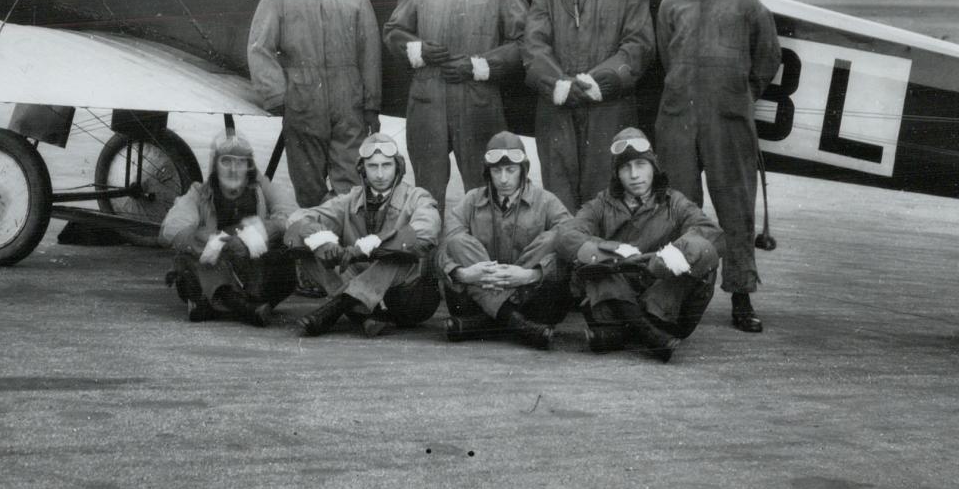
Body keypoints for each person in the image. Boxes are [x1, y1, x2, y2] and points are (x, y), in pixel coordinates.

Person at [654, 0, 781, 333]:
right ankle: (678, 293)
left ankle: (741, 296)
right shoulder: (672, 3)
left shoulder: (747, 3)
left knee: (735, 209)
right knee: (679, 210)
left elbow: (767, 59)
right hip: (678, 120)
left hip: (728, 123)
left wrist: (736, 97)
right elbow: (666, 56)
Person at [383, 0, 528, 209]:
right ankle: (428, 252)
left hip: (478, 104)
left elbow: (524, 42)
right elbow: (394, 31)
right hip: (427, 102)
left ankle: (481, 255)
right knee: (427, 192)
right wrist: (418, 49)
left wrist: (479, 66)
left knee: (482, 193)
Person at [523, 0, 655, 212]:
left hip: (608, 106)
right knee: (560, 195)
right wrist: (559, 84)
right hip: (558, 107)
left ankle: (603, 259)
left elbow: (639, 45)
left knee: (606, 194)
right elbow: (533, 45)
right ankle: (569, 256)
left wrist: (599, 81)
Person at [555, 127, 724, 362]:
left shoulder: (674, 203)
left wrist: (675, 254)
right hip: (614, 296)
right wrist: (613, 251)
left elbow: (711, 232)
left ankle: (622, 333)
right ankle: (644, 332)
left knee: (705, 256)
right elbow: (566, 234)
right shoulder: (601, 204)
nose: (634, 175)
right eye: (626, 167)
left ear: (653, 167)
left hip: (663, 305)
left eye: (640, 165)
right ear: (617, 173)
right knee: (590, 261)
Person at [247, 0, 382, 207]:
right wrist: (277, 97)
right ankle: (317, 243)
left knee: (352, 187)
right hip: (303, 106)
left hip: (349, 108)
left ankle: (348, 246)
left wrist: (371, 106)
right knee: (308, 188)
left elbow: (370, 55)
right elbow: (260, 48)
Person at [286, 133, 441, 337]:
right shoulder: (350, 199)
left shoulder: (416, 196)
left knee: (399, 253)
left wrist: (371, 247)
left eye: (386, 165)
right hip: (366, 290)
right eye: (372, 166)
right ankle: (368, 311)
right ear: (362, 169)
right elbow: (297, 218)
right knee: (307, 246)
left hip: (408, 299)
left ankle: (337, 307)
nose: (379, 174)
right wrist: (322, 241)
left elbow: (428, 228)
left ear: (398, 167)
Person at [437, 131, 574, 349]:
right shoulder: (471, 200)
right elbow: (443, 249)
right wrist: (465, 273)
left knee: (555, 238)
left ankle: (489, 322)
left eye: (510, 170)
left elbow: (572, 244)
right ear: (487, 172)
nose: (503, 179)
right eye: (496, 170)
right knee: (457, 242)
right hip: (479, 295)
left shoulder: (546, 201)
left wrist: (530, 274)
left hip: (529, 295)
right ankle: (514, 322)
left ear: (523, 170)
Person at [159, 131, 298, 326]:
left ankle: (209, 303)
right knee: (186, 259)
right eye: (226, 161)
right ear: (215, 165)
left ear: (249, 166)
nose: (233, 169)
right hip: (215, 266)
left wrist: (258, 233)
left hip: (253, 272)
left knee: (285, 261)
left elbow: (293, 215)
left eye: (240, 162)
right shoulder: (199, 192)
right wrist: (211, 242)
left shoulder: (262, 187)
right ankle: (242, 307)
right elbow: (171, 229)